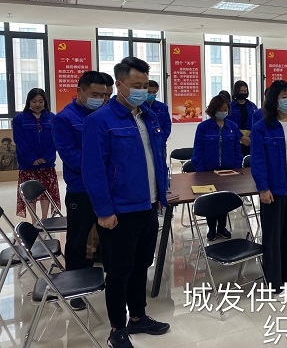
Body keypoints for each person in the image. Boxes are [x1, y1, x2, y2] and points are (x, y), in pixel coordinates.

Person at [82, 57, 170, 347]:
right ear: (119, 84)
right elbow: (93, 170)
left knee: (141, 264)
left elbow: (157, 158)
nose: (142, 91)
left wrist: (161, 194)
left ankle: (138, 317)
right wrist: (104, 211)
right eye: (136, 85)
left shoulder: (149, 117)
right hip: (120, 211)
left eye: (145, 85)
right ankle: (117, 329)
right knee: (118, 271)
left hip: (148, 205)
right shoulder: (100, 121)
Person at [251, 80, 287, 293]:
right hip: (274, 188)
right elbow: (257, 160)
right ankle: (274, 283)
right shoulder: (261, 127)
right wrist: (263, 188)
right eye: (284, 96)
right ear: (273, 100)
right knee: (273, 237)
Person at [53, 71, 107, 310]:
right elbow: (70, 155)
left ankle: (109, 279)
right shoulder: (65, 118)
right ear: (80, 92)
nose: (100, 99)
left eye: (104, 95)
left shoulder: (105, 114)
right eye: (95, 94)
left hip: (106, 187)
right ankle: (74, 289)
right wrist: (101, 163)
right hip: (81, 188)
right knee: (78, 239)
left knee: (108, 234)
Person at [191, 94, 242, 240]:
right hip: (208, 171)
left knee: (223, 200)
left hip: (228, 171)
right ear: (213, 110)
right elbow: (198, 151)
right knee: (211, 201)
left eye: (226, 109)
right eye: (220, 109)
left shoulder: (232, 127)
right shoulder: (203, 127)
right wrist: (201, 171)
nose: (223, 112)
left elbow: (237, 150)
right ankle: (212, 229)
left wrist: (237, 167)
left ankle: (222, 228)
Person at [13, 88, 60, 222]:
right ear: (28, 101)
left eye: (41, 101)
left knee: (46, 191)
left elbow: (55, 141)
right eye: (34, 101)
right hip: (28, 164)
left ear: (45, 102)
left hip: (47, 163)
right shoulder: (19, 119)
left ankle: (44, 219)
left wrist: (46, 157)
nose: (37, 104)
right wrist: (32, 158)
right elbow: (20, 141)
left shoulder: (52, 118)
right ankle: (34, 220)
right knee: (30, 193)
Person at [228, 80, 258, 157]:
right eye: (241, 91)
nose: (243, 93)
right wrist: (241, 136)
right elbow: (228, 124)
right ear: (236, 91)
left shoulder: (252, 106)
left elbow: (257, 123)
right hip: (235, 138)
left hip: (250, 140)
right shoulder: (230, 107)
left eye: (245, 91)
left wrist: (250, 137)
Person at [144, 80, 171, 148]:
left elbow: (167, 126)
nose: (151, 94)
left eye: (154, 92)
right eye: (149, 92)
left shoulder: (163, 107)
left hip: (160, 143)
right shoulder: (138, 107)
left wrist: (162, 139)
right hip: (144, 143)